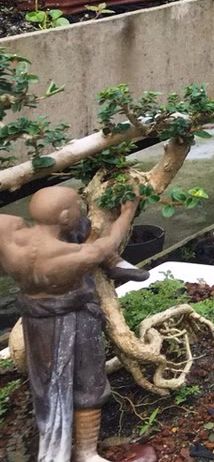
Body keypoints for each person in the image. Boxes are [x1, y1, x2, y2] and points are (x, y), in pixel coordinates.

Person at [0, 187, 142, 462]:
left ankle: (55, 449)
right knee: (89, 382)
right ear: (65, 217)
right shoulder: (72, 256)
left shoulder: (7, 235)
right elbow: (109, 243)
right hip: (73, 319)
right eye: (79, 206)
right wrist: (128, 211)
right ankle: (86, 452)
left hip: (36, 323)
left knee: (46, 387)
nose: (83, 210)